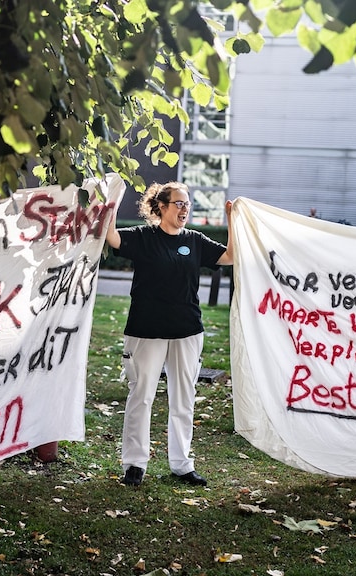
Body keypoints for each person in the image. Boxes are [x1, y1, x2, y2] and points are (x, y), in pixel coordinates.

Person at [105, 181, 233, 487]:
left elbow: (230, 257)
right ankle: (134, 464)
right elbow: (111, 238)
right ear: (161, 207)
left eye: (187, 204)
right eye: (178, 203)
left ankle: (182, 464)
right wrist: (111, 201)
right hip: (146, 331)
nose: (184, 209)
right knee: (142, 395)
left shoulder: (195, 240)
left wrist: (233, 221)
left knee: (183, 399)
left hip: (187, 331)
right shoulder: (143, 237)